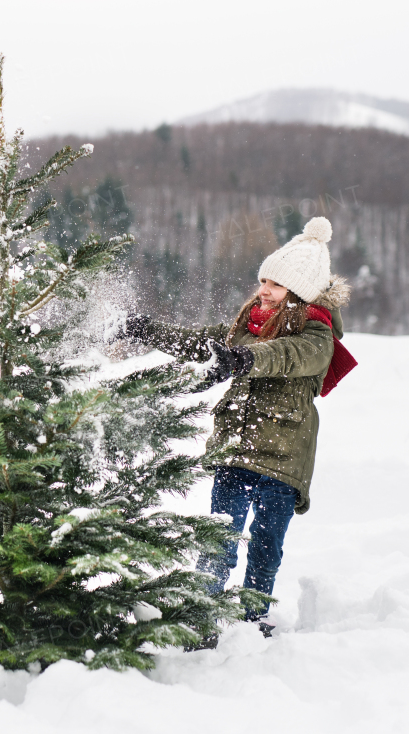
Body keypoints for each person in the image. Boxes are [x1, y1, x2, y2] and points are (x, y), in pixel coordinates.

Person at [121, 216, 356, 639]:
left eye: (275, 285)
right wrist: (146, 331)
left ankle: (254, 620)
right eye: (263, 280)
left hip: (283, 461)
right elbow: (198, 342)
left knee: (265, 546)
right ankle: (201, 614)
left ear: (298, 293)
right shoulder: (248, 323)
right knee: (218, 540)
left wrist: (248, 360)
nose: (263, 290)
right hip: (235, 451)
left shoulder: (316, 333)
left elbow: (292, 355)